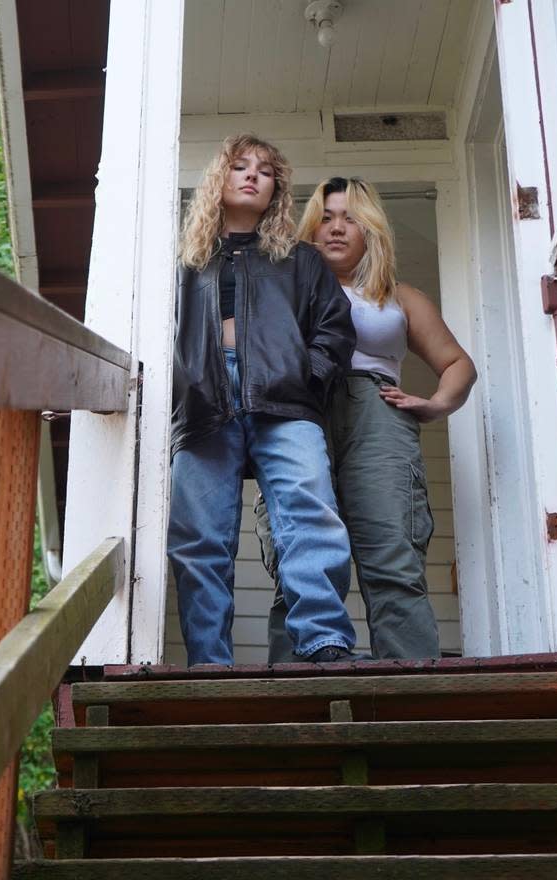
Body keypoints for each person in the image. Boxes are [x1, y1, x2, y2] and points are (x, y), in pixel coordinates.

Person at [259, 177, 477, 661]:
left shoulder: (398, 297)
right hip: (300, 411)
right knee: (299, 556)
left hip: (377, 416)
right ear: (309, 228)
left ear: (371, 230)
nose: (336, 228)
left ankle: (410, 700)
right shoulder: (281, 288)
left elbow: (458, 364)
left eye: (351, 217)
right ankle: (292, 697)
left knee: (392, 560)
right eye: (326, 217)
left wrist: (436, 403)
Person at [168, 136, 361, 666]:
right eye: (239, 165)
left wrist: (306, 378)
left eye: (266, 171)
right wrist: (182, 389)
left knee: (308, 513)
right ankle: (208, 662)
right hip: (205, 401)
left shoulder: (299, 260)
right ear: (219, 179)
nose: (252, 175)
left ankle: (323, 640)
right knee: (198, 539)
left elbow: (335, 329)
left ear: (277, 190)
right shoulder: (184, 264)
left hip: (285, 401)